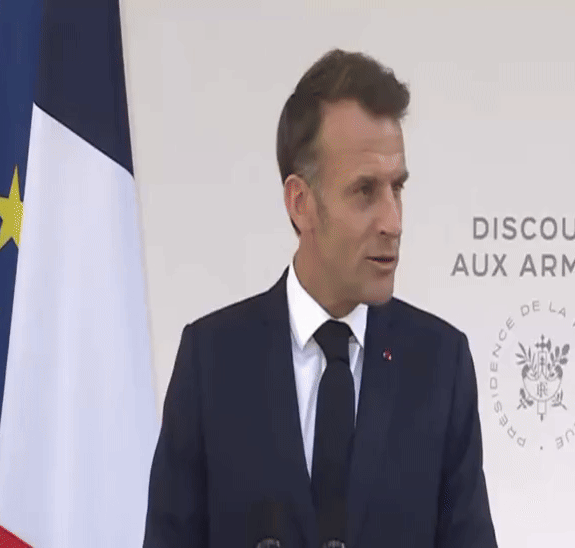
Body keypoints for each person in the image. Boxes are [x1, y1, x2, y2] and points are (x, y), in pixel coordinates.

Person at [142, 48, 498, 548]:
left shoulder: (441, 365)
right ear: (300, 202)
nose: (393, 221)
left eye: (397, 188)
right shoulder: (211, 361)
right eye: (365, 191)